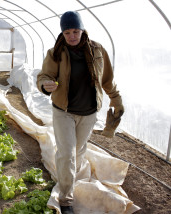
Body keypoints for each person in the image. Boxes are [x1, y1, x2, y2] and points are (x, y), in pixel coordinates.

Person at [36, 11, 124, 214]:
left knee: (78, 151)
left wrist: (116, 99)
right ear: (63, 34)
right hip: (63, 111)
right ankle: (66, 200)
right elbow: (44, 75)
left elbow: (107, 80)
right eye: (67, 32)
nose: (72, 36)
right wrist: (45, 84)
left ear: (82, 30)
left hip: (89, 113)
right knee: (67, 154)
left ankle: (68, 177)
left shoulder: (98, 50)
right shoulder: (55, 53)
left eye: (75, 31)